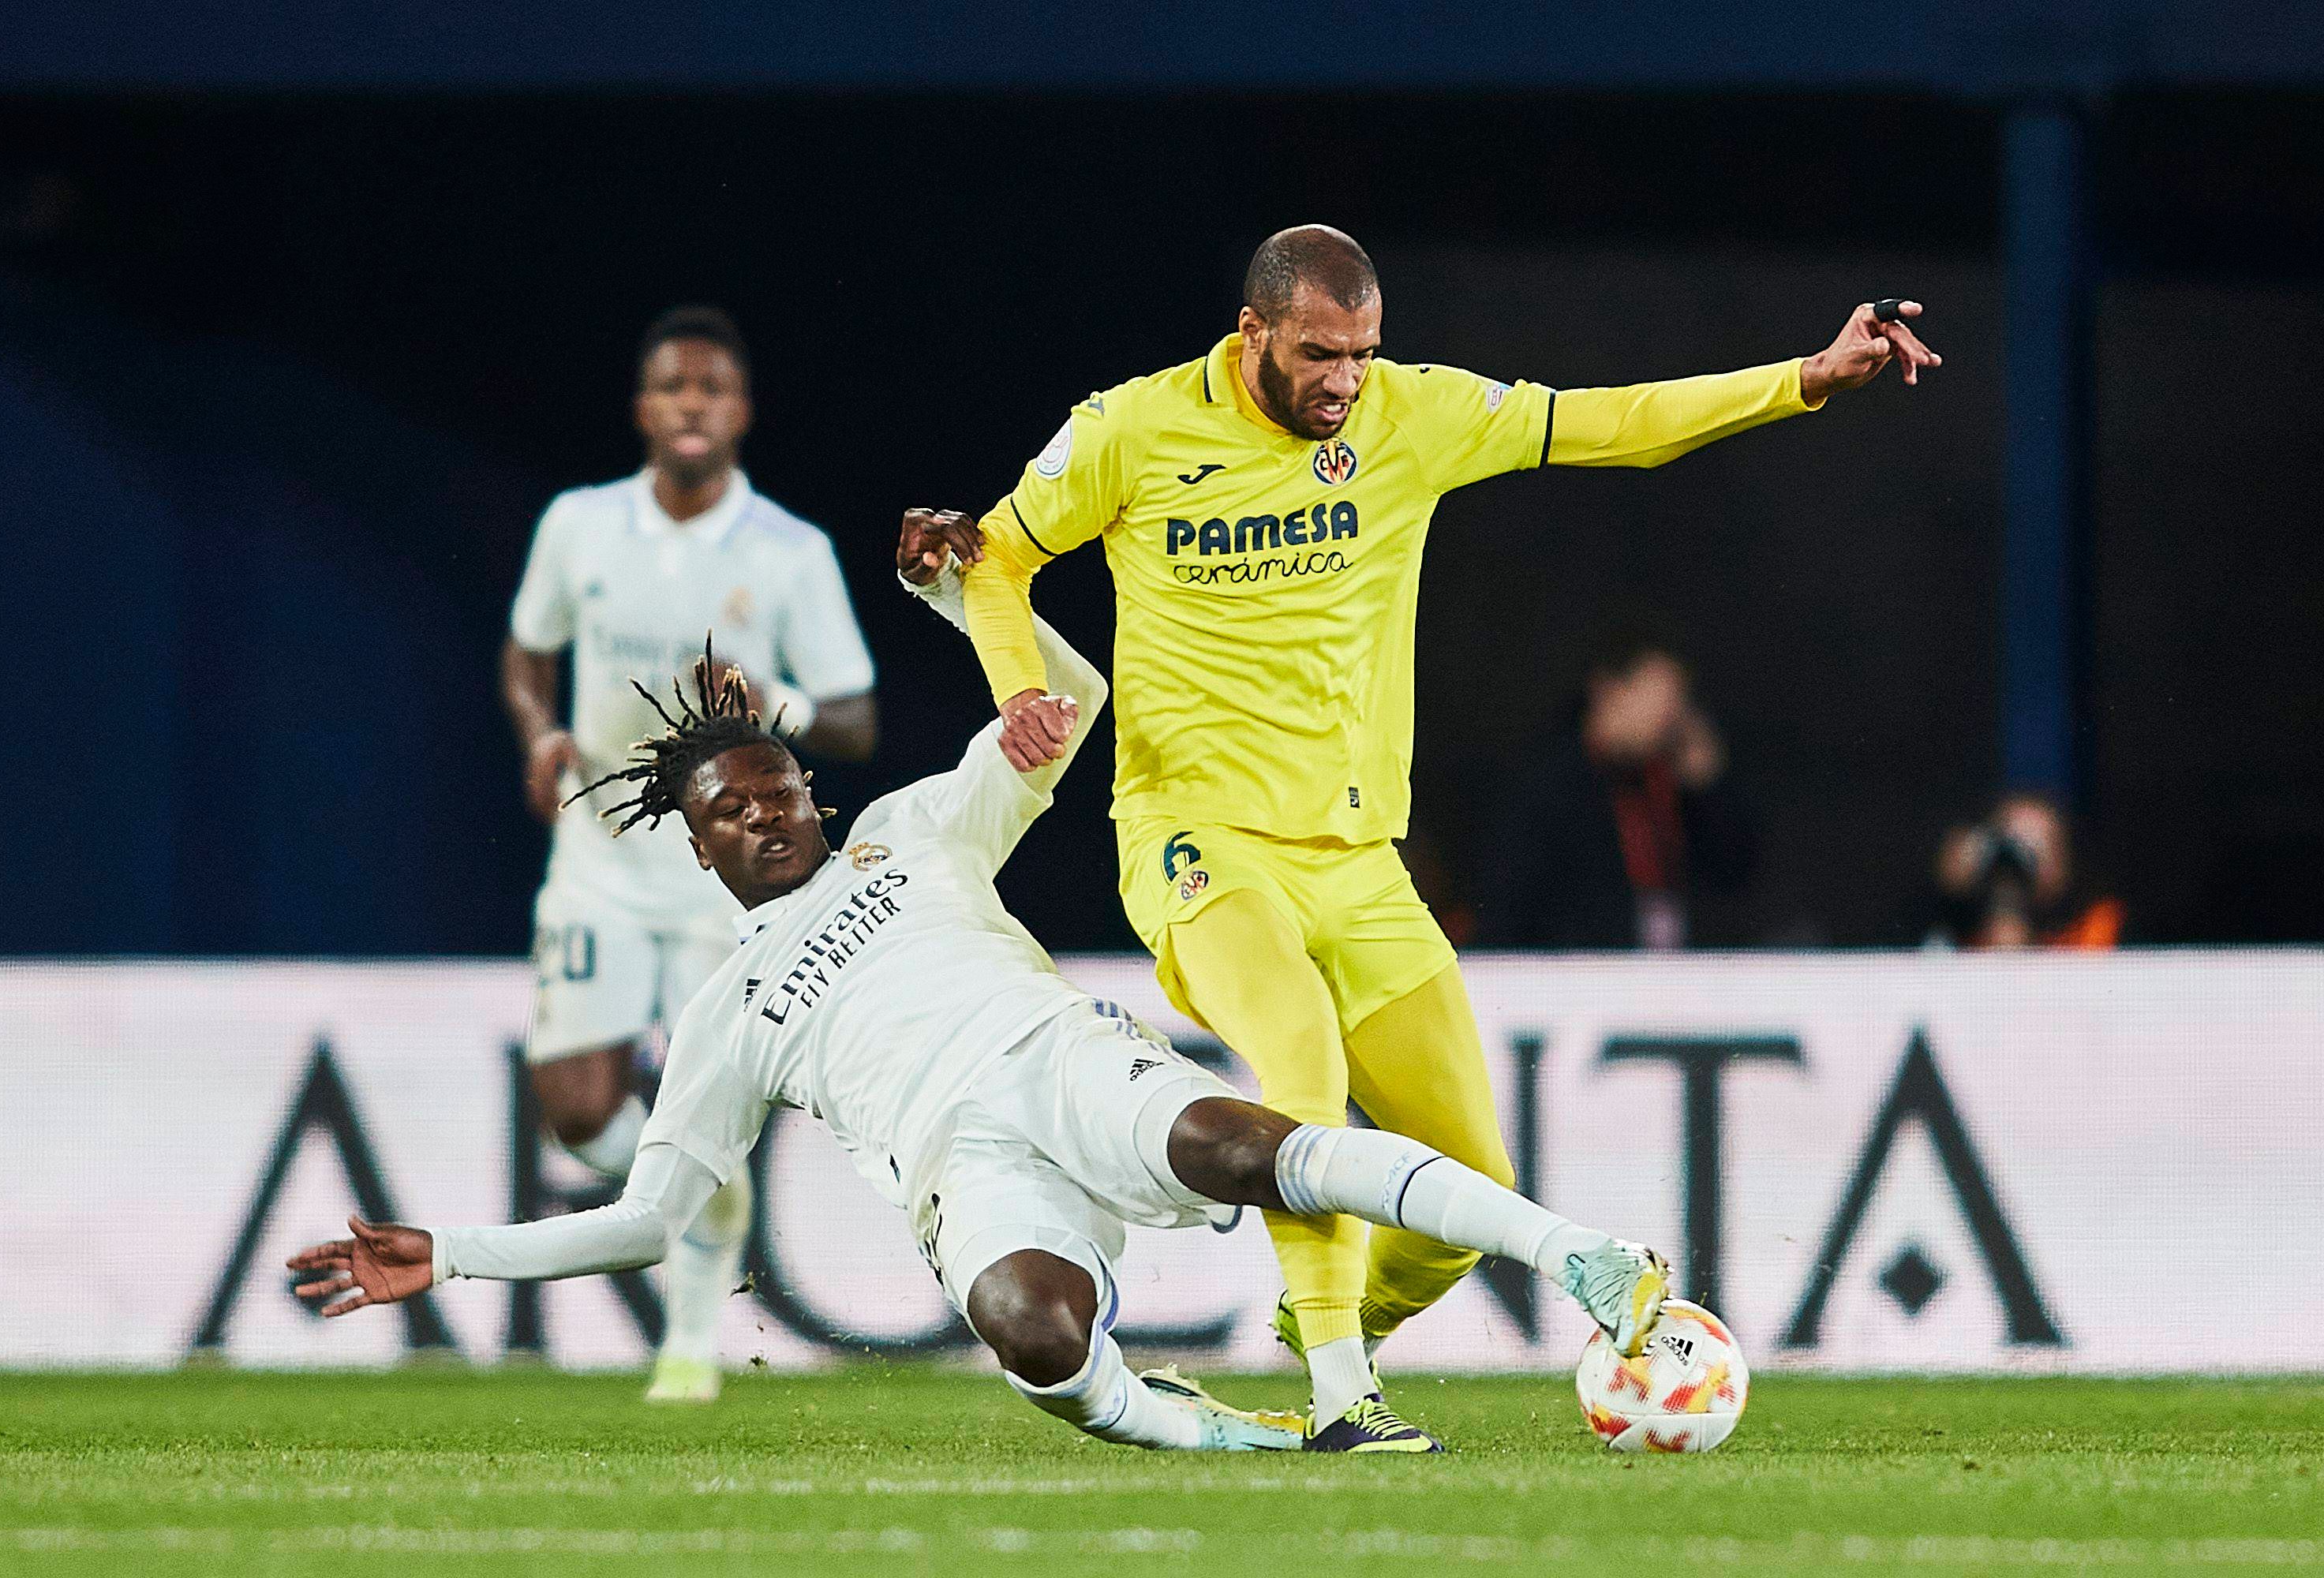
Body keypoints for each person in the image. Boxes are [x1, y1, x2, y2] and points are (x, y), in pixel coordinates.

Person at [288, 511, 1672, 1456]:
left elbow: (1071, 707)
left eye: (777, 789)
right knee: (1032, 1333)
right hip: (961, 1166)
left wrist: (964, 602)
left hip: (1060, 1059)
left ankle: (1583, 1256)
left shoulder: (913, 828)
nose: (764, 816)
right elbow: (650, 1221)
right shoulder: (726, 1013)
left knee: (1249, 1145)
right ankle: (1203, 1431)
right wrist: (453, 1254)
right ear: (699, 846)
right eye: (732, 813)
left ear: (809, 791)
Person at [941, 225, 1940, 1447]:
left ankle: (1328, 1330)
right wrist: (1017, 690)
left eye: (1363, 354)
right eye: (1319, 355)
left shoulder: (1411, 416)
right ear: (1253, 332)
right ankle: (1343, 1403)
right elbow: (993, 555)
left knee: (1471, 1190)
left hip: (1360, 865)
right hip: (1197, 840)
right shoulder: (1130, 431)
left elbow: (1610, 424)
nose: (1344, 382)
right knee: (1298, 1065)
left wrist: (1804, 380)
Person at [497, 305, 878, 1402]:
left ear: (741, 411)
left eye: (712, 388)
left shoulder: (789, 551)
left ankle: (690, 1345)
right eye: (674, 386)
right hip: (599, 856)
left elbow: (856, 722)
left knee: (711, 1097)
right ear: (644, 408)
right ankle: (704, 1196)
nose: (693, 404)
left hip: (726, 878)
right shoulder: (580, 526)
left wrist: (775, 702)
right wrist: (541, 733)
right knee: (578, 1112)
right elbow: (526, 654)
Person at [1478, 632, 1759, 950]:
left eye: (1675, 702)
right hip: (1581, 969)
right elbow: (1512, 906)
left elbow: (1732, 875)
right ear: (1609, 690)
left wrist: (1709, 789)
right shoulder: (1548, 784)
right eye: (1654, 698)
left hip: (1670, 964)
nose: (1667, 718)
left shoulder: (1669, 778)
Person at [1927, 791, 2123, 950]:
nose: (2017, 861)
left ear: (2063, 862)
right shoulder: (1955, 929)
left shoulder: (2094, 927)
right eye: (2010, 843)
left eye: (2035, 847)